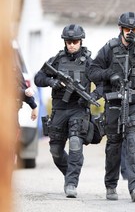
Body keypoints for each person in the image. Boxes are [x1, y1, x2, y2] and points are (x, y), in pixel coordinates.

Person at [87, 12, 135, 202]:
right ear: (120, 29)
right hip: (114, 103)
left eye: (134, 30)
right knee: (113, 146)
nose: (130, 32)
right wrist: (109, 74)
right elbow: (92, 71)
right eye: (127, 29)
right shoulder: (110, 48)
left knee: (133, 143)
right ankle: (111, 185)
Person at [34, 24, 99, 198]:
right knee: (55, 151)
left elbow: (102, 84)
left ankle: (71, 182)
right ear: (65, 42)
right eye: (68, 41)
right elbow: (38, 77)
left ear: (81, 41)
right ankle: (70, 172)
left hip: (78, 108)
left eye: (75, 41)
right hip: (59, 109)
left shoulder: (90, 63)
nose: (71, 45)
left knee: (76, 144)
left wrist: (91, 95)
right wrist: (51, 82)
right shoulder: (56, 60)